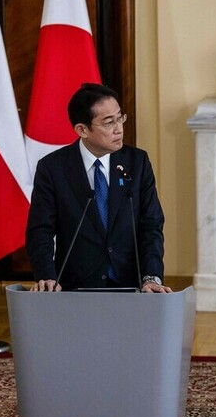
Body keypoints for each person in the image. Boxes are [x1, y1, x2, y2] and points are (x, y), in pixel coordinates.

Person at [26, 83, 172, 293]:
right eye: (109, 122)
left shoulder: (137, 162)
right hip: (74, 288)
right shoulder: (53, 168)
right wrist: (47, 276)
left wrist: (151, 277)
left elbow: (151, 225)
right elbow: (41, 230)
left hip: (132, 286)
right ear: (82, 129)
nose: (119, 128)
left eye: (120, 118)